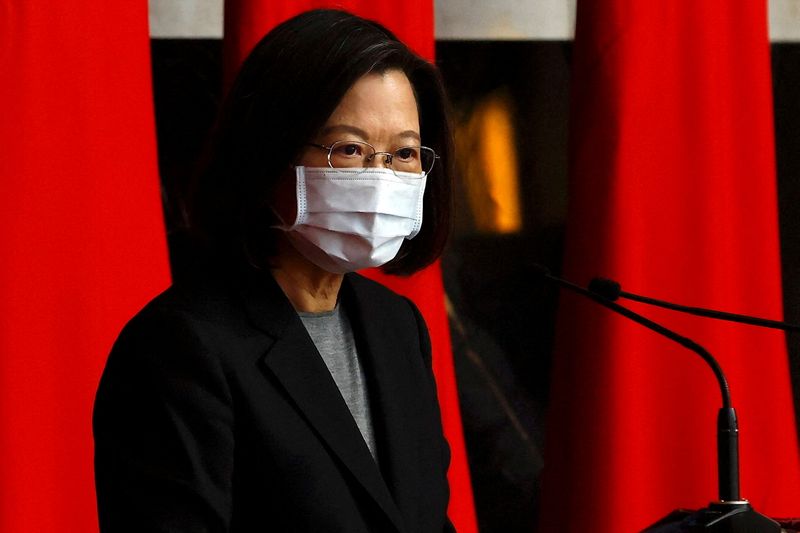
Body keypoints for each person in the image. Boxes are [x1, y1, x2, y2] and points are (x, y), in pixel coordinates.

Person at [93, 8, 456, 533]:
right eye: (350, 149)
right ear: (268, 152)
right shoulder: (181, 346)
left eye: (402, 153)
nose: (382, 179)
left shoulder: (397, 327)